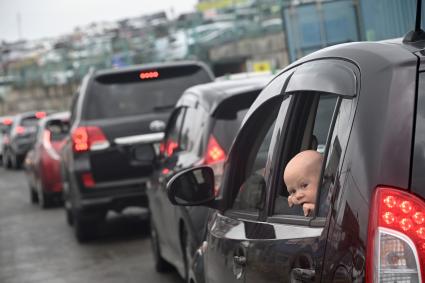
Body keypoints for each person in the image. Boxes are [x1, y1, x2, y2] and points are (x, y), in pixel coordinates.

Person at [283, 150, 323, 216]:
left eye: (304, 186)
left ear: (323, 179)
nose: (298, 196)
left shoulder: (335, 202)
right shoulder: (297, 203)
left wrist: (320, 213)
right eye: (293, 191)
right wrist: (292, 205)